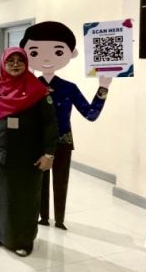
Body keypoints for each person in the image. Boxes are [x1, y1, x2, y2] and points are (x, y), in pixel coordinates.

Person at [21, 21, 112, 230]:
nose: (46, 59)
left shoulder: (69, 88)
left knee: (61, 181)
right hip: (37, 142)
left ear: (72, 54)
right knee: (39, 183)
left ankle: (60, 219)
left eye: (57, 52)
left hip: (63, 141)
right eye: (35, 52)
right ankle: (42, 217)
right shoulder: (30, 86)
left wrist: (103, 87)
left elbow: (90, 114)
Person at [0, 47, 58, 257]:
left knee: (25, 199)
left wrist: (49, 154)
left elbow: (50, 124)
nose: (15, 64)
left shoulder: (38, 91)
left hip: (28, 157)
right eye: (10, 61)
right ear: (3, 64)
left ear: (26, 64)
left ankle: (24, 239)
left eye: (20, 60)